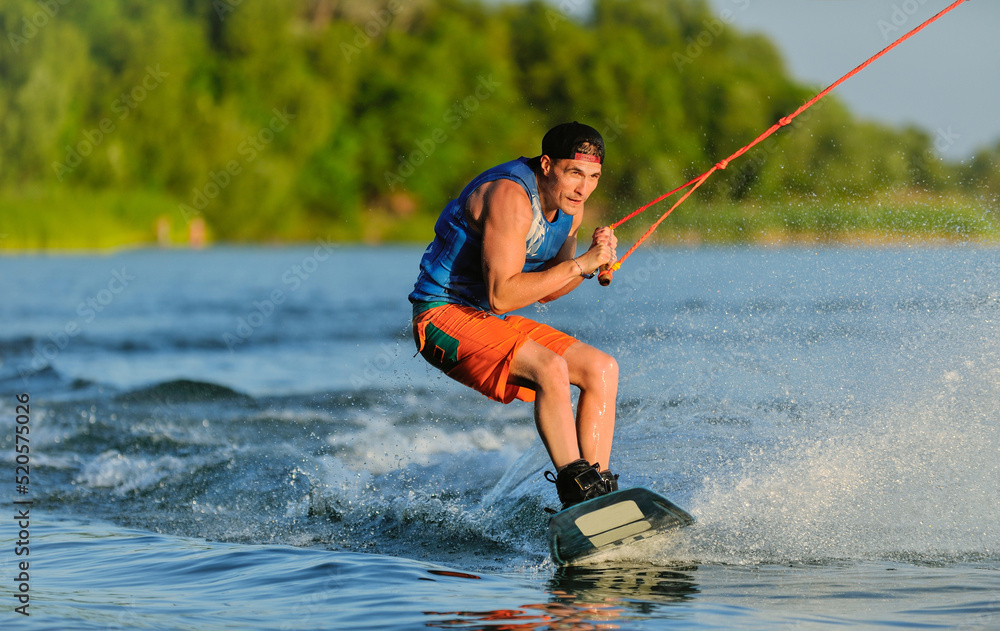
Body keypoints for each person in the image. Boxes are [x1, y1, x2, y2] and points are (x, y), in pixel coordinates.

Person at [409, 121, 620, 510]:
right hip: (441, 317)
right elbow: (502, 296)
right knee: (550, 368)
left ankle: (599, 493)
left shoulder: (571, 208)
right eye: (574, 173)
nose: (583, 188)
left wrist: (590, 262)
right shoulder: (509, 195)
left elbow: (549, 290)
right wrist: (580, 265)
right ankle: (578, 492)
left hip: (486, 320)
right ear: (546, 165)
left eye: (593, 177)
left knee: (601, 368)